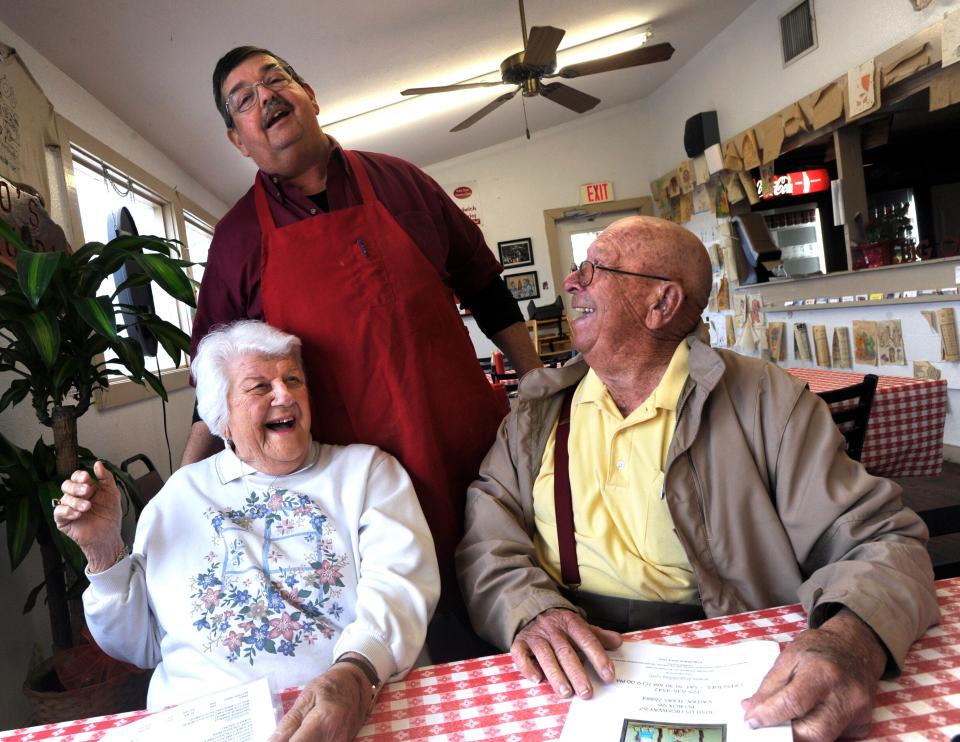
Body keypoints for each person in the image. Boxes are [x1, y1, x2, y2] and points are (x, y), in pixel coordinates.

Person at [456, 216, 939, 741]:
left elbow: (884, 540)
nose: (571, 282)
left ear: (661, 304)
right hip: (574, 671)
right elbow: (487, 539)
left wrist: (849, 640)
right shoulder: (537, 412)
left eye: (594, 269)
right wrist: (532, 610)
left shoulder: (764, 402)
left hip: (730, 665)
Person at [183, 47, 541, 657]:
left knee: (519, 601)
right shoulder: (238, 237)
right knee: (403, 637)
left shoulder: (404, 182)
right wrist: (187, 483)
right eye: (244, 99)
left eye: (275, 80)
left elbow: (485, 284)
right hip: (349, 481)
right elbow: (213, 371)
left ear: (310, 93)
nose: (265, 97)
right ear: (237, 139)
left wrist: (537, 386)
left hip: (470, 448)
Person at [56, 320, 439, 740]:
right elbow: (140, 646)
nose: (285, 394)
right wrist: (104, 553)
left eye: (293, 379)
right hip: (202, 724)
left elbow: (401, 587)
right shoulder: (178, 498)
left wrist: (354, 672)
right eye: (259, 387)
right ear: (222, 419)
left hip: (346, 706)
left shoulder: (366, 474)